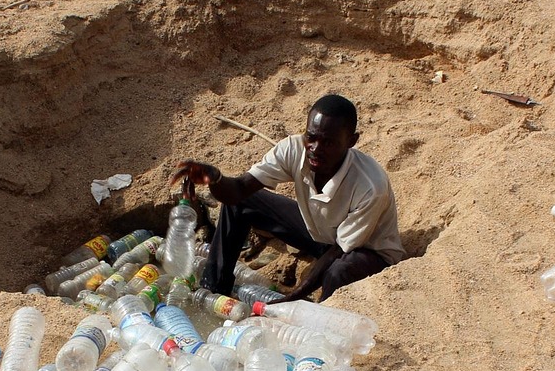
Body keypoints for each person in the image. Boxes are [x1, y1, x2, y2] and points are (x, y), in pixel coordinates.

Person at [172, 94, 404, 302]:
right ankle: (213, 291)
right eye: (311, 137)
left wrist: (295, 295)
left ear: (352, 141)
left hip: (366, 251)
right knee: (242, 204)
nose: (315, 148)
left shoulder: (371, 187)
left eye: (328, 142)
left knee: (338, 272)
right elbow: (240, 190)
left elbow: (340, 250)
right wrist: (215, 179)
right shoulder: (295, 150)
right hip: (324, 236)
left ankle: (321, 318)